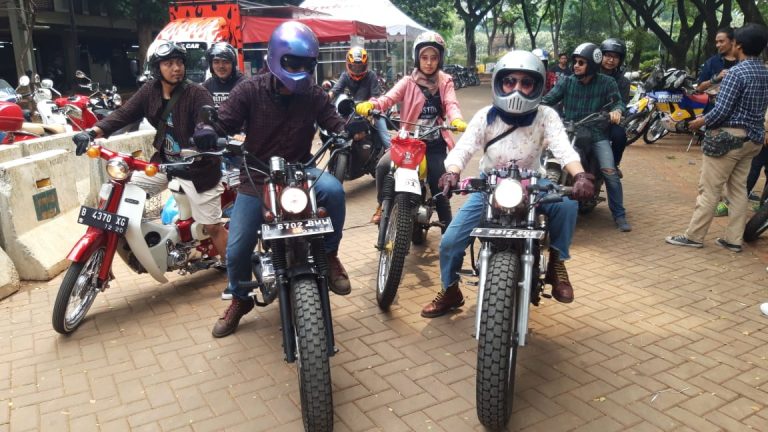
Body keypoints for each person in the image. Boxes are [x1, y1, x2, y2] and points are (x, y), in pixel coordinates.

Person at [420, 50, 596, 317]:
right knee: (450, 241)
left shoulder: (546, 116)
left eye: (526, 83)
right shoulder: (485, 116)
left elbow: (563, 149)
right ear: (499, 83)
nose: (517, 89)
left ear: (537, 86)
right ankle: (450, 289)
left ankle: (557, 262)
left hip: (534, 184)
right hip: (490, 186)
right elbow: (463, 149)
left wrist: (580, 175)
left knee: (567, 206)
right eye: (510, 81)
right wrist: (451, 172)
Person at [204, 21, 350, 338]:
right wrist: (208, 131)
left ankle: (329, 253)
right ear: (275, 58)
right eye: (292, 63)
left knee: (335, 191)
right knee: (237, 249)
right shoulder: (249, 90)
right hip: (257, 176)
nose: (299, 71)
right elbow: (225, 121)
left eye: (306, 65)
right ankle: (240, 298)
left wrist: (347, 130)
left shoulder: (313, 94)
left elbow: (333, 121)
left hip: (300, 172)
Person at [71, 41, 227, 268]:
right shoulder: (150, 91)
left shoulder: (197, 93)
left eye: (179, 63)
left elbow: (207, 122)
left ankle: (236, 276)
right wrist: (92, 132)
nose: (176, 68)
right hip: (164, 164)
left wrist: (205, 133)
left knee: (212, 227)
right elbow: (124, 114)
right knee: (121, 196)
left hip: (198, 169)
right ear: (157, 68)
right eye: (169, 64)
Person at [666, 23, 768, 253]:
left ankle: (694, 236)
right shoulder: (765, 72)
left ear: (738, 45)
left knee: (709, 189)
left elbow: (721, 111)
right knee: (738, 190)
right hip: (753, 139)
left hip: (729, 139)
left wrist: (700, 121)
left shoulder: (736, 73)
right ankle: (733, 240)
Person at [355, 31, 467, 227]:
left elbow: (451, 104)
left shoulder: (445, 81)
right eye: (424, 57)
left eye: (434, 58)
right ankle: (382, 205)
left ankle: (448, 232)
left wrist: (456, 119)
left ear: (440, 59)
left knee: (440, 185)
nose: (429, 63)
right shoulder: (408, 82)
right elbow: (388, 99)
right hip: (408, 143)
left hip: (434, 144)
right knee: (383, 167)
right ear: (417, 58)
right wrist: (372, 105)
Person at [542, 42, 631, 232]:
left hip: (596, 133)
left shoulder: (607, 83)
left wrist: (616, 111)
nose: (576, 66)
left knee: (610, 171)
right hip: (569, 131)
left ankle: (619, 215)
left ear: (591, 65)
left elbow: (618, 103)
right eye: (575, 62)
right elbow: (548, 100)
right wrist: (532, 106)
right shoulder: (567, 81)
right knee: (545, 159)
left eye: (581, 63)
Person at [329, 47, 390, 149]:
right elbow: (335, 90)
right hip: (354, 109)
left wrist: (370, 112)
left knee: (386, 140)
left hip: (372, 109)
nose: (357, 69)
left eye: (360, 67)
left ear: (365, 66)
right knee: (337, 134)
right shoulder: (345, 76)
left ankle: (391, 155)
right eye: (354, 66)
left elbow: (376, 96)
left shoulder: (371, 75)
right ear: (348, 65)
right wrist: (325, 100)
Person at [599, 38, 631, 172]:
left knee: (620, 136)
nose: (611, 60)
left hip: (609, 121)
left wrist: (617, 112)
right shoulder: (589, 74)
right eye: (608, 55)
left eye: (615, 57)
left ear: (620, 60)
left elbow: (621, 102)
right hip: (586, 118)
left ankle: (614, 164)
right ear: (600, 55)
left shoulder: (623, 82)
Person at [202, 42, 246, 108]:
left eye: (226, 62)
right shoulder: (207, 86)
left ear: (233, 64)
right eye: (216, 62)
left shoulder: (244, 85)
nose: (221, 66)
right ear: (211, 65)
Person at [697, 27, 737, 95]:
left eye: (721, 41)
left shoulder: (742, 61)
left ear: (732, 41)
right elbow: (699, 88)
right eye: (717, 42)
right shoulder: (711, 62)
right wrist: (715, 79)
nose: (717, 45)